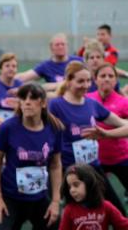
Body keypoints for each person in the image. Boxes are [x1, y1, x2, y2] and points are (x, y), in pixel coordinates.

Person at [48, 60, 128, 215]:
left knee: (118, 212)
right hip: (70, 171)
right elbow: (45, 133)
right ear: (69, 81)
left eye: (88, 81)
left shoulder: (92, 104)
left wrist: (106, 134)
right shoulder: (57, 105)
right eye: (80, 81)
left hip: (93, 169)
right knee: (76, 216)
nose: (85, 85)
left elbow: (122, 124)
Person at [0, 83, 63, 229]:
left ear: (43, 103)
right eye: (23, 98)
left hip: (39, 198)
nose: (27, 102)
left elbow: (55, 165)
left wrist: (55, 201)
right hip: (10, 197)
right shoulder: (8, 127)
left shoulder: (55, 128)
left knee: (56, 224)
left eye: (33, 98)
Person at [86, 63, 128, 192]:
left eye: (110, 76)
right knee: (96, 197)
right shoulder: (87, 99)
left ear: (116, 80)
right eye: (102, 76)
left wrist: (107, 133)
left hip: (121, 157)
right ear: (95, 79)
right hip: (95, 160)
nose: (107, 79)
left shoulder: (124, 102)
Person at [60, 164, 128, 229]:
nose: (72, 190)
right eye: (69, 187)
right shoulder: (69, 210)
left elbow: (124, 226)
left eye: (76, 185)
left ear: (89, 183)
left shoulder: (106, 206)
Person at [16, 33, 82, 85]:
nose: (60, 47)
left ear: (67, 46)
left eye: (63, 44)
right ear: (51, 48)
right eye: (57, 45)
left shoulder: (78, 61)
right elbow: (24, 77)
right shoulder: (46, 66)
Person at [0, 53, 22, 122]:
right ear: (0, 69)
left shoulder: (21, 86)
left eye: (14, 66)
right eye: (7, 66)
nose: (11, 69)